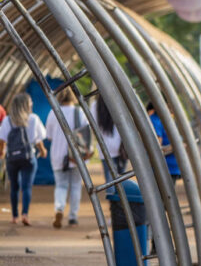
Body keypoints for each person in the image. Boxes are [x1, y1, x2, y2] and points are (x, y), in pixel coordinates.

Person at [0, 93, 47, 225]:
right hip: (28, 157)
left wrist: (2, 152)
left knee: (14, 187)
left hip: (12, 158)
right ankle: (25, 214)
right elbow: (38, 140)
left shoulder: (8, 120)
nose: (32, 104)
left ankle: (14, 216)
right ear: (26, 105)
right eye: (30, 102)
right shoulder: (33, 119)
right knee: (26, 187)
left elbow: (2, 140)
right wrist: (43, 151)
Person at [46, 87, 87, 228]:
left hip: (58, 155)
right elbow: (86, 134)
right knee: (75, 185)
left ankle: (59, 208)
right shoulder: (79, 112)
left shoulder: (53, 113)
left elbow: (49, 136)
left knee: (61, 185)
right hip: (76, 156)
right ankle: (73, 217)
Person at [94, 95, 126, 184]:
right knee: (123, 177)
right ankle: (122, 197)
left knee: (110, 179)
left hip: (105, 147)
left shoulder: (95, 105)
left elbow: (92, 125)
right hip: (121, 145)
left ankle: (112, 197)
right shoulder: (118, 102)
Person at [147, 101, 180, 183]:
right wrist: (178, 146)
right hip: (166, 167)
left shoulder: (164, 119)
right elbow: (157, 147)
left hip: (171, 166)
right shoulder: (155, 120)